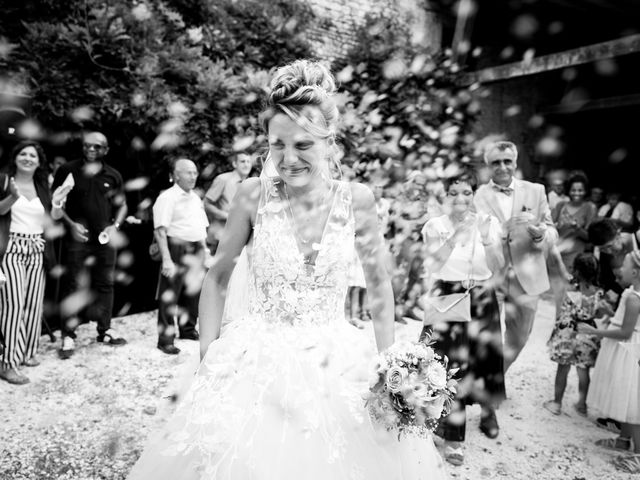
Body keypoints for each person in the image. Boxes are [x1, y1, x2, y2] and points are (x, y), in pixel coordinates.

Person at [127, 60, 448, 480]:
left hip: (335, 363)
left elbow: (380, 287)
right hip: (255, 359)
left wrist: (392, 367)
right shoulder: (251, 195)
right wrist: (209, 356)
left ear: (329, 142)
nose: (288, 158)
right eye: (277, 145)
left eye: (302, 145)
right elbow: (218, 277)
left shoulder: (359, 200)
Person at [420, 170, 505, 466]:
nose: (460, 199)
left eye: (466, 192)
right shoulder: (435, 225)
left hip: (480, 295)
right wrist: (456, 235)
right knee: (443, 363)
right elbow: (433, 264)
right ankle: (437, 427)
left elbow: (497, 267)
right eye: (453, 192)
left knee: (483, 360)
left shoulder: (488, 223)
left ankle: (475, 420)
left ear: (474, 195)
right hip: (446, 296)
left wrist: (484, 237)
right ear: (445, 196)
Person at [473, 141, 558, 371]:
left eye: (507, 161)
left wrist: (542, 236)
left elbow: (552, 230)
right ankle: (488, 388)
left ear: (515, 163)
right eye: (496, 162)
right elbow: (472, 237)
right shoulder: (476, 196)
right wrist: (501, 230)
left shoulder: (536, 191)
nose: (502, 167)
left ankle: (497, 374)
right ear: (488, 166)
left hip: (528, 278)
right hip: (490, 277)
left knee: (519, 338)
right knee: (483, 336)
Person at [52, 131, 128, 359]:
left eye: (96, 147)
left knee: (105, 284)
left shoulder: (113, 175)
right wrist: (71, 224)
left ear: (105, 150)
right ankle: (68, 335)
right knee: (73, 285)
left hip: (104, 240)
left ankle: (104, 330)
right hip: (77, 239)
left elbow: (122, 206)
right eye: (87, 146)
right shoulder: (68, 170)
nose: (90, 150)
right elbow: (55, 203)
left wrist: (116, 226)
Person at [0, 141, 71, 384]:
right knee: (13, 305)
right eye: (23, 153)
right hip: (12, 248)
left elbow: (53, 218)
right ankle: (8, 363)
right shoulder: (4, 180)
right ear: (15, 157)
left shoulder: (42, 185)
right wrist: (12, 197)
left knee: (33, 304)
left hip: (36, 247)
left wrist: (59, 201)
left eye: (33, 155)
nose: (28, 158)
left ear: (39, 162)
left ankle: (27, 352)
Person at [578, 250, 640, 474]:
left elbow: (625, 332)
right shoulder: (630, 292)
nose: (618, 269)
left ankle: (638, 456)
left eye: (623, 265)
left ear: (634, 272)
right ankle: (623, 440)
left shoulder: (634, 298)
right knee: (625, 398)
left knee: (632, 405)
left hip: (627, 351)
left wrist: (596, 331)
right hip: (622, 349)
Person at [152, 158, 210, 355]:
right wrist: (166, 259)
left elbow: (201, 227)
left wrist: (206, 251)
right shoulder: (167, 198)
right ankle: (165, 339)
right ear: (177, 175)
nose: (193, 176)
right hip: (175, 247)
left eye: (195, 172)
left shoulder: (195, 198)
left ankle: (187, 330)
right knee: (170, 295)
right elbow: (160, 231)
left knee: (192, 293)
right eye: (188, 173)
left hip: (196, 248)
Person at [543, 253, 611, 416]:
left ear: (577, 271)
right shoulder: (599, 293)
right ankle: (582, 404)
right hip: (587, 335)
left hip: (567, 335)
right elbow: (600, 315)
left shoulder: (569, 288)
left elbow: (562, 310)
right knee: (583, 372)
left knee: (563, 369)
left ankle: (557, 403)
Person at [204, 152, 253, 253]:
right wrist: (225, 215)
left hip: (239, 237)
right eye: (242, 161)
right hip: (220, 235)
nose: (246, 164)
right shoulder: (223, 179)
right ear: (234, 164)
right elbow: (206, 203)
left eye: (249, 162)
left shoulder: (250, 183)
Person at [552, 174, 597, 275]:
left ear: (586, 191)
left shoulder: (590, 208)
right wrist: (556, 226)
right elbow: (548, 226)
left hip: (575, 254)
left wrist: (576, 227)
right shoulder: (561, 205)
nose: (577, 193)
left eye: (580, 190)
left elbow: (590, 237)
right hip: (556, 251)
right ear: (568, 190)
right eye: (573, 190)